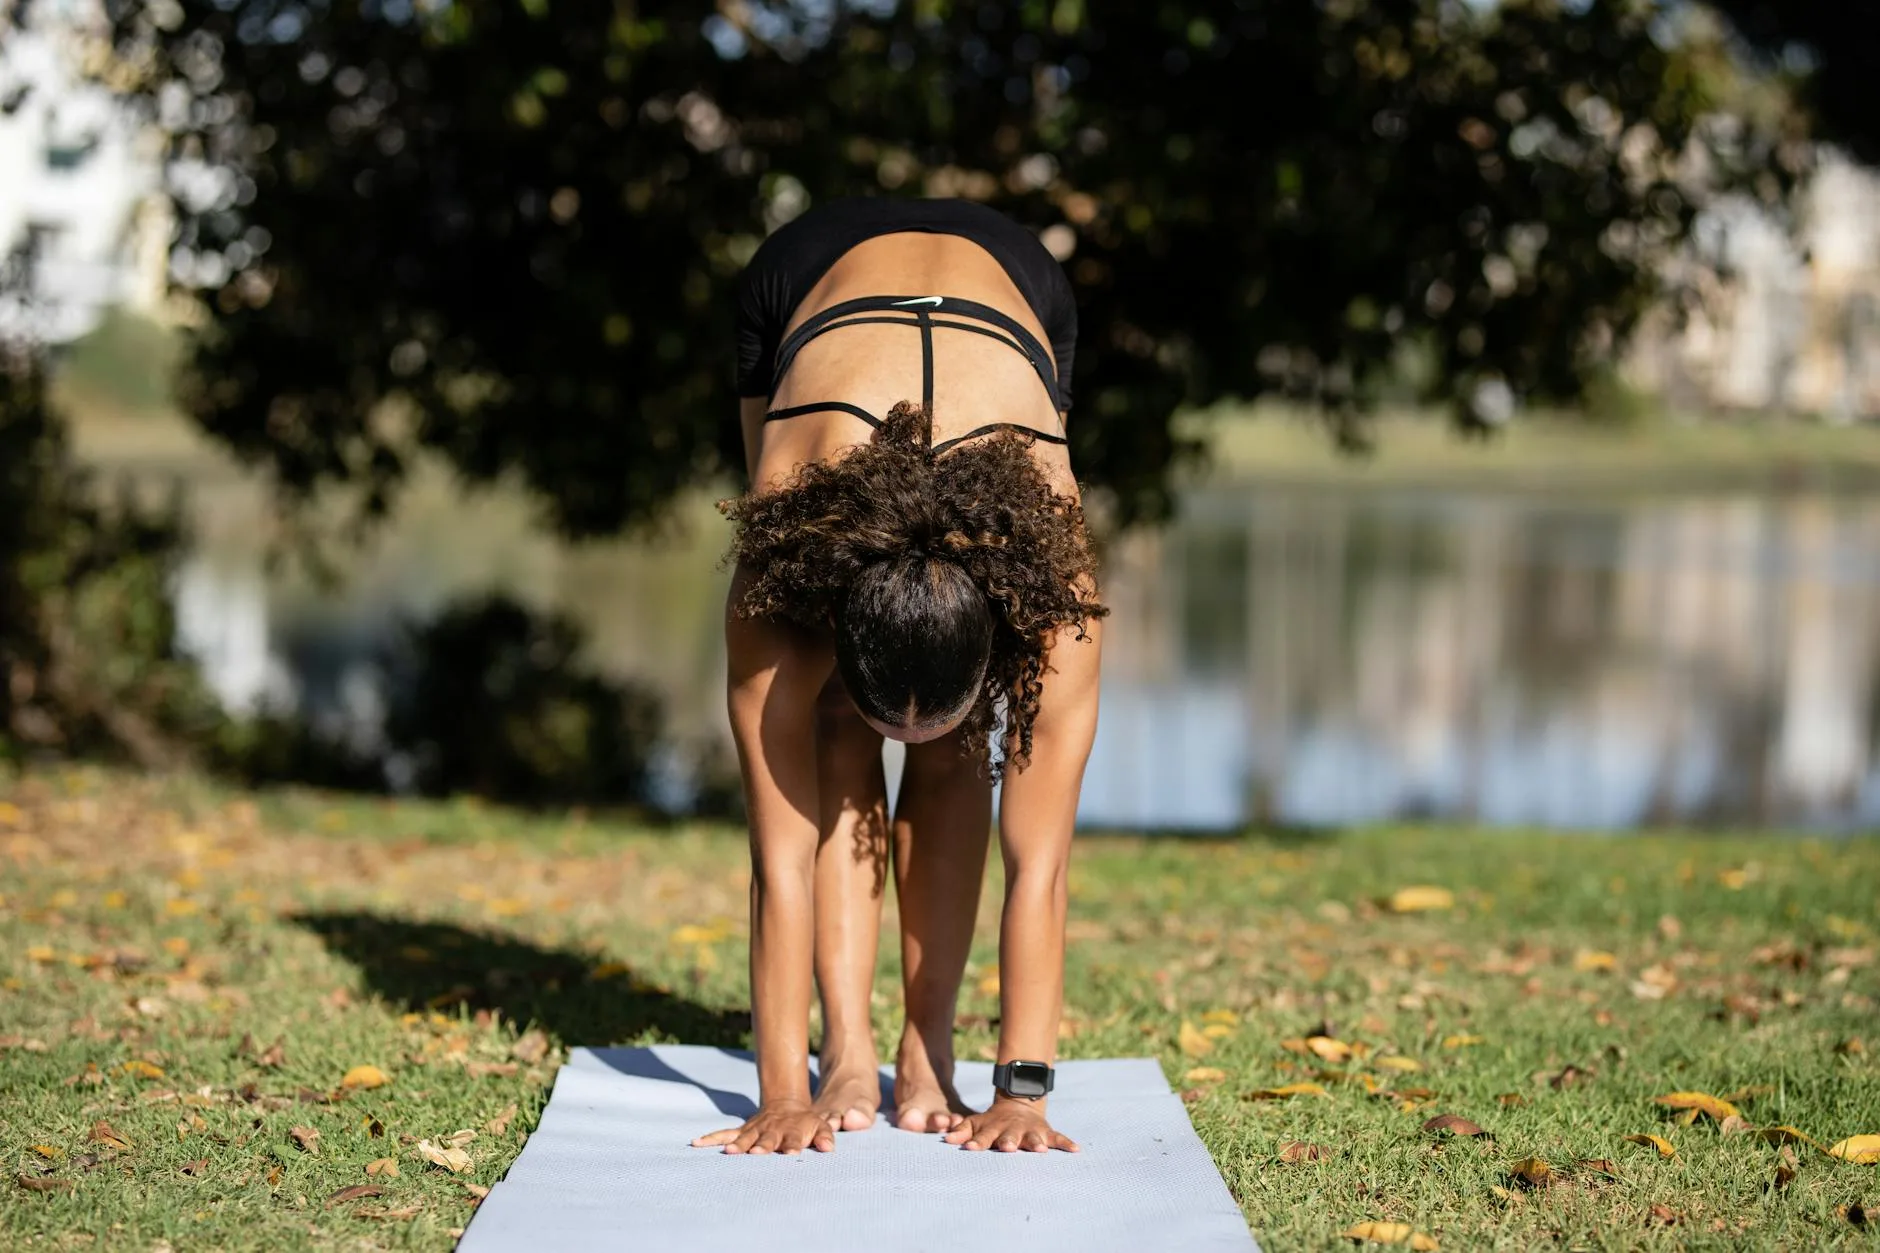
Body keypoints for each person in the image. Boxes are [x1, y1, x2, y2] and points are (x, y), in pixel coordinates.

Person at [692, 197, 1105, 1157]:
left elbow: (1040, 864)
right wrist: (781, 1092)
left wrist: (1026, 1094)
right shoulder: (780, 585)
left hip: (1019, 286)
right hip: (802, 280)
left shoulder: (1056, 597)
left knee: (961, 746)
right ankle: (845, 1052)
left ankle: (929, 1050)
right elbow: (777, 853)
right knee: (829, 724)